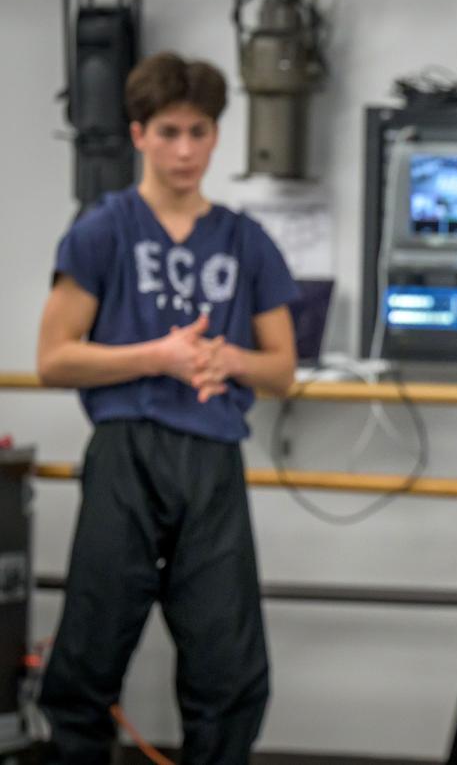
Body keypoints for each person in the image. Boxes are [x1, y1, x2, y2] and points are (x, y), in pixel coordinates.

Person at [35, 52, 298, 763]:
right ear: (139, 134)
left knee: (228, 663)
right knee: (89, 652)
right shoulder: (103, 229)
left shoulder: (247, 241)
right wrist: (159, 355)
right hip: (127, 452)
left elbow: (282, 368)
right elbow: (54, 356)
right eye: (170, 132)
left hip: (210, 459)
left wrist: (229, 359)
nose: (185, 150)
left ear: (217, 136)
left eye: (200, 132)